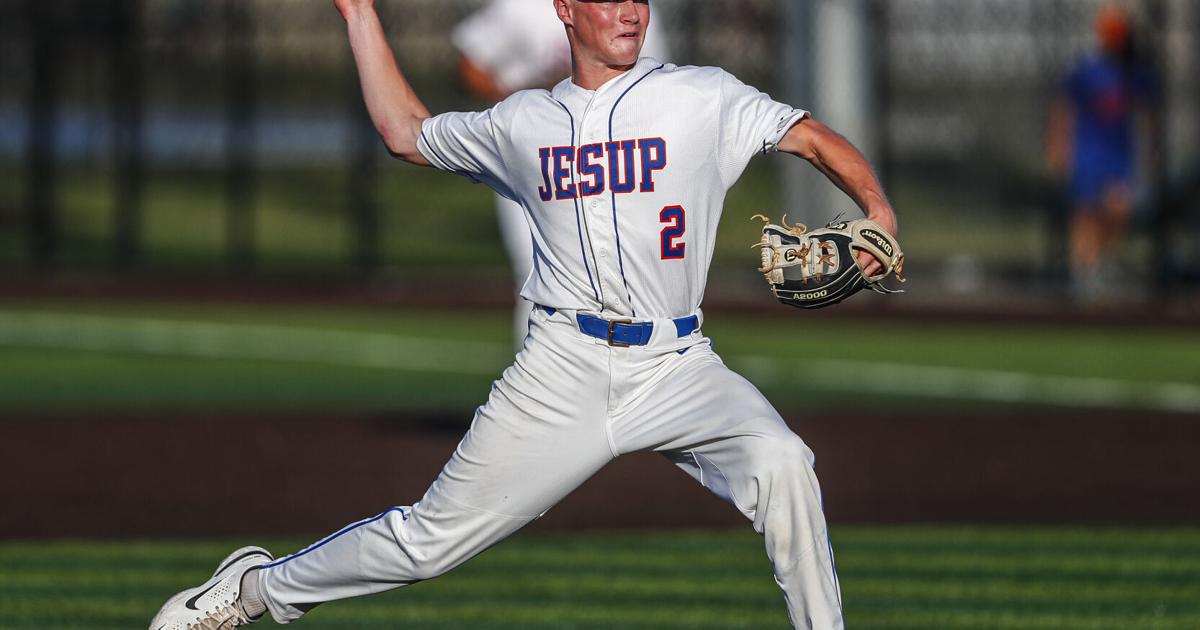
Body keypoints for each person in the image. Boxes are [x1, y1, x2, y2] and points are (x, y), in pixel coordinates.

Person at [149, 1, 898, 628]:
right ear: (566, 10)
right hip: (562, 369)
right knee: (426, 546)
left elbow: (808, 136)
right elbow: (405, 132)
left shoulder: (701, 96)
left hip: (678, 365)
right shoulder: (523, 124)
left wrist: (877, 208)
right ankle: (253, 592)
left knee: (784, 465)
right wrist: (358, 12)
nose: (632, 10)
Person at [451, 0, 670, 348]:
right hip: (532, 160)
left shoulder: (633, 9)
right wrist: (524, 107)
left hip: (606, 158)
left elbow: (655, 81)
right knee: (537, 276)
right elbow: (470, 61)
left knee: (623, 276)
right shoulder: (523, 7)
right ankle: (539, 381)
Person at [1045, 3, 1158, 302]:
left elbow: (1148, 111)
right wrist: (1059, 147)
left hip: (1119, 153)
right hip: (1088, 152)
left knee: (1118, 210)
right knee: (1086, 216)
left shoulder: (1134, 71)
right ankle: (1084, 275)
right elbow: (1064, 108)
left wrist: (1150, 150)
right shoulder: (1087, 69)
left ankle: (1100, 263)